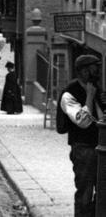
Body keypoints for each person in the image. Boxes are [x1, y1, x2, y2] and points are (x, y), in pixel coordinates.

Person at [57, 55, 106, 217]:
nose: (98, 71)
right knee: (85, 192)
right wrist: (90, 97)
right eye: (94, 68)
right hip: (84, 149)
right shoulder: (69, 94)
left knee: (102, 192)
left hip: (101, 148)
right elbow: (83, 122)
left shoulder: (96, 88)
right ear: (84, 71)